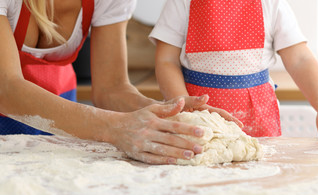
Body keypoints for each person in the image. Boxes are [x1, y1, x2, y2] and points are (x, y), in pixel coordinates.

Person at [0, 0, 241, 164]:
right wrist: (113, 127)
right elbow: (6, 89)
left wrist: (168, 114)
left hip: (62, 119)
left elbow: (111, 89)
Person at [149, 0, 318, 141]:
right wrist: (184, 106)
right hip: (199, 114)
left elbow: (300, 59)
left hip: (258, 116)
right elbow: (167, 61)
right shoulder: (181, 2)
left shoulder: (271, 3)